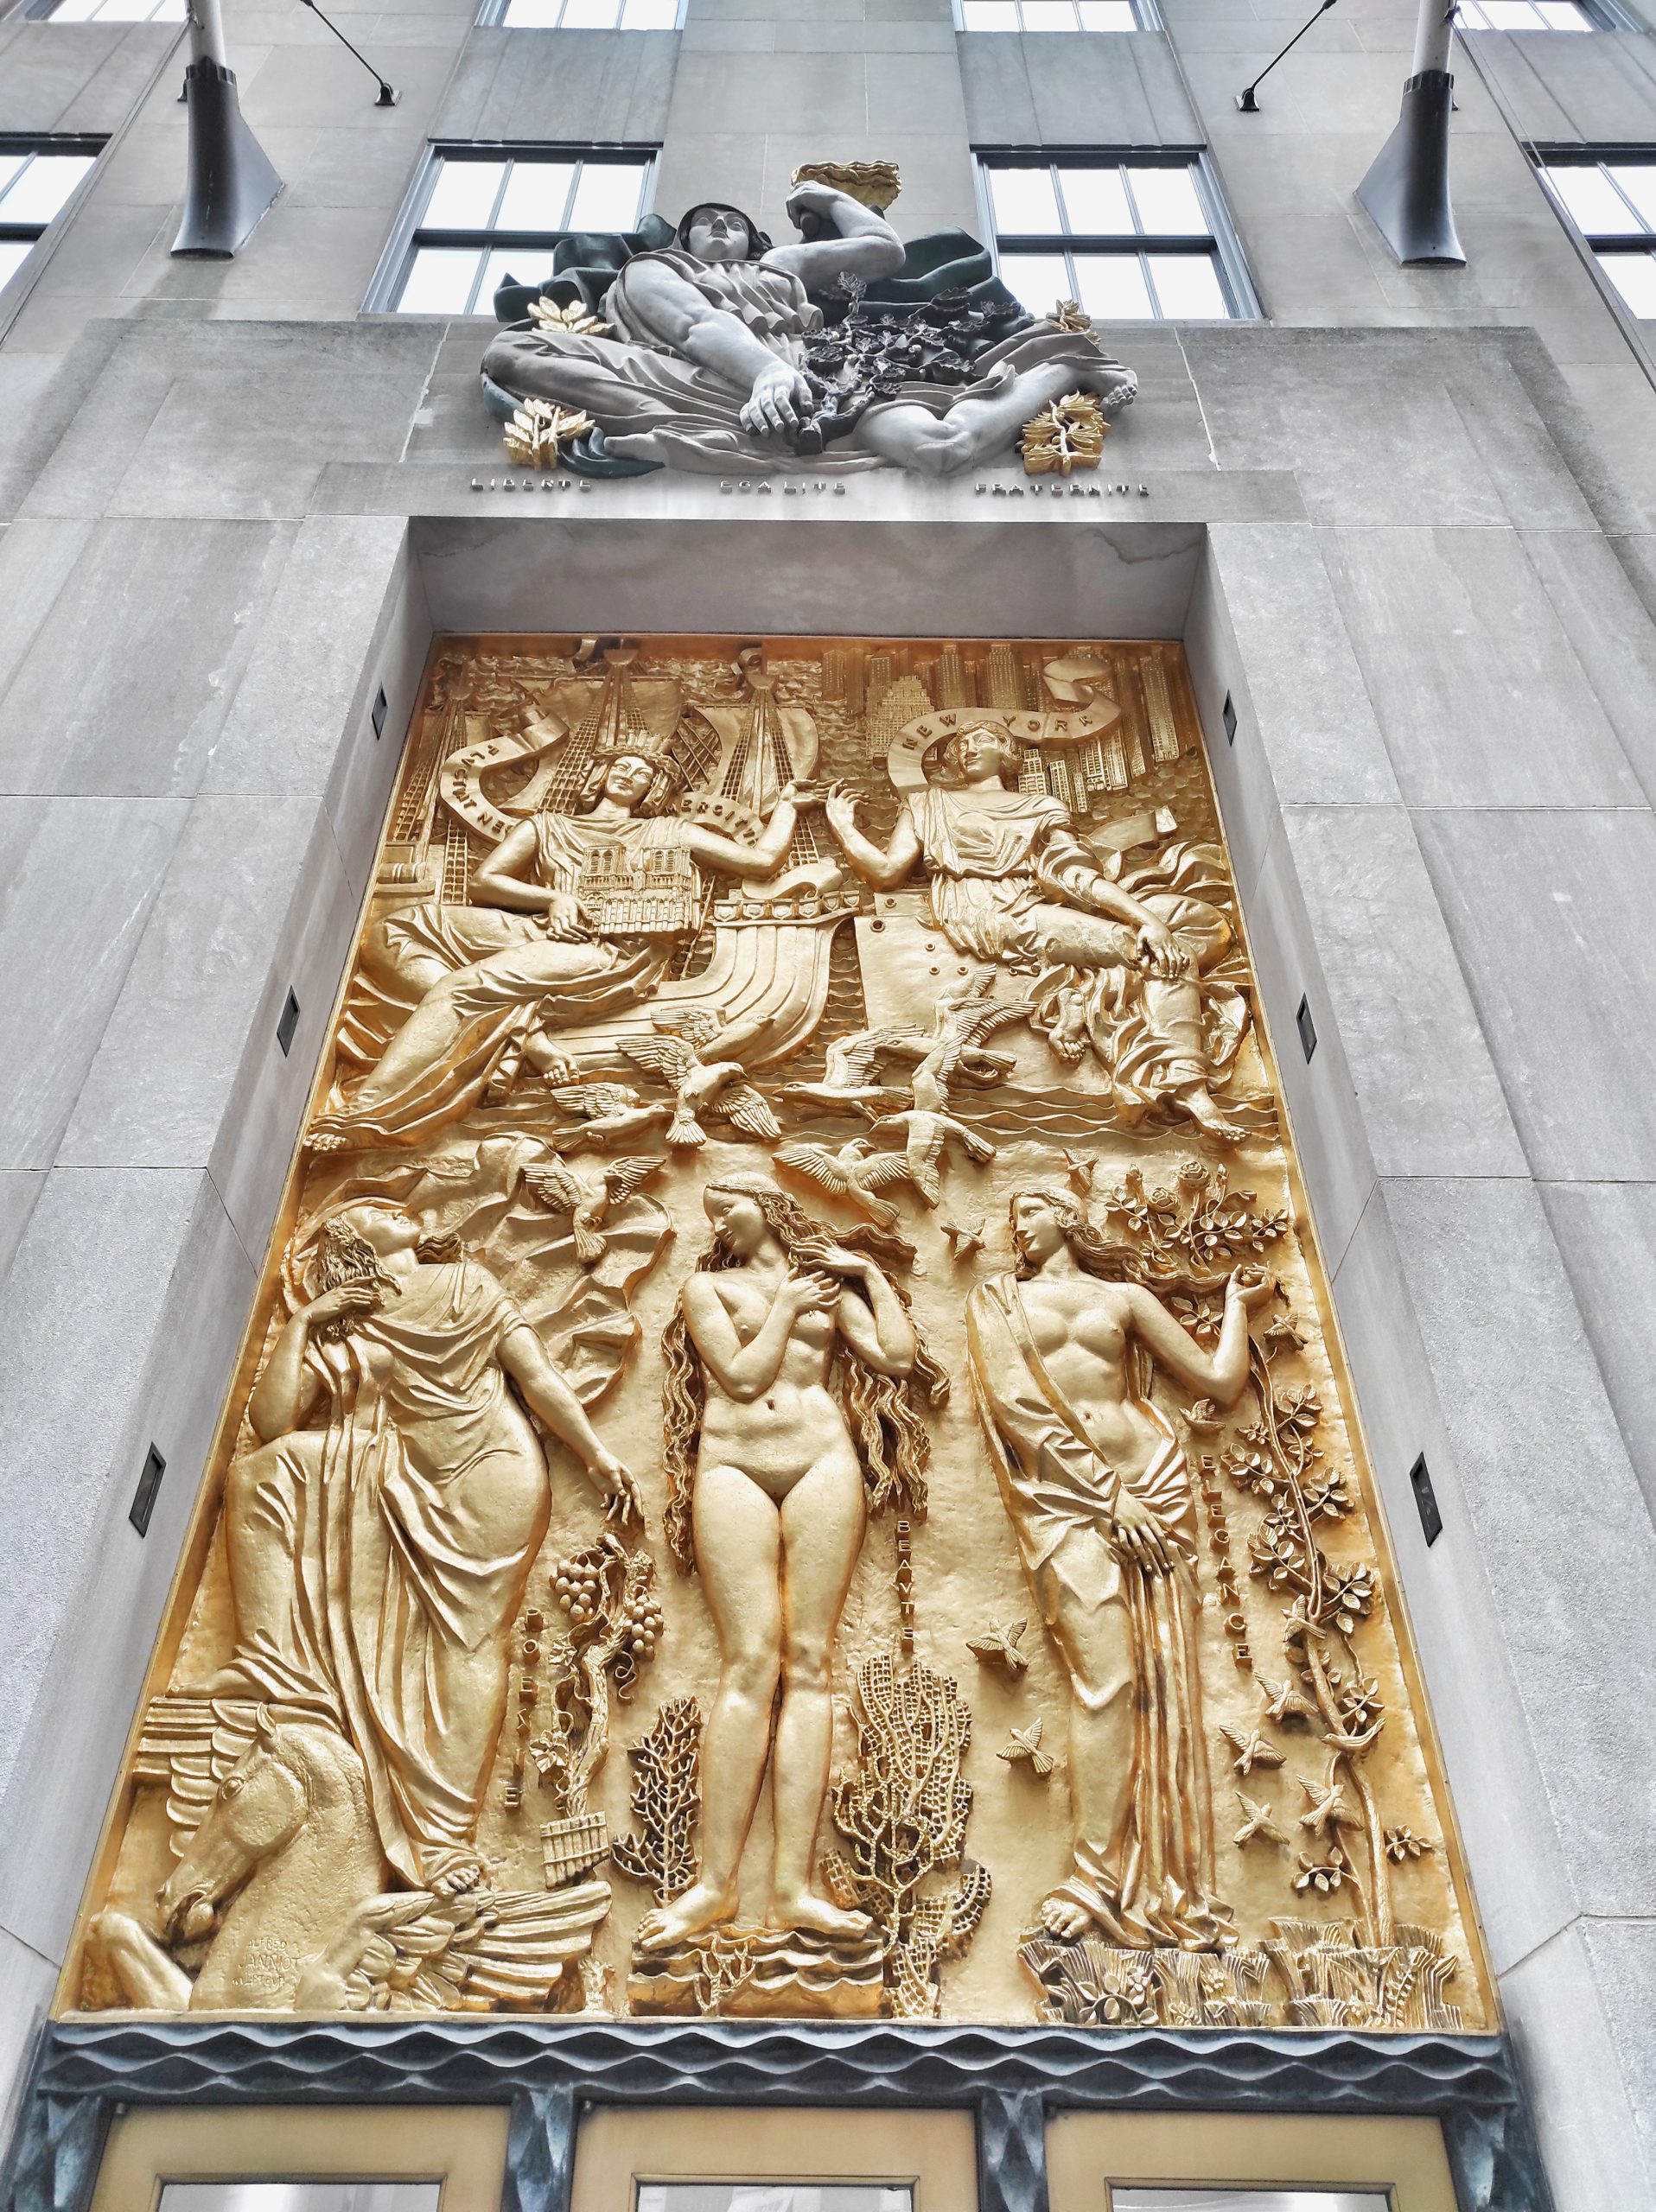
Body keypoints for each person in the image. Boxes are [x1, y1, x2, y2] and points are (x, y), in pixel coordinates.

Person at [210, 1198, 640, 1893]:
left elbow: (537, 1377)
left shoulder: (470, 1284)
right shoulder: (348, 1318)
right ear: (348, 1243)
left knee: (472, 1641)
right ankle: (271, 1666)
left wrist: (594, 1454)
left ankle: (444, 1839)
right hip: (399, 1474)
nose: (398, 1206)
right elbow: (271, 1421)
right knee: (261, 1473)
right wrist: (305, 1321)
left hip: (492, 1469)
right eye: (375, 1207)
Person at [965, 1185, 1271, 1949]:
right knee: (1107, 1680)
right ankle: (1094, 1878)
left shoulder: (1124, 1299)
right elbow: (1016, 1409)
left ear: (1067, 1218)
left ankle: (1166, 1884)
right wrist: (1108, 1497)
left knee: (1162, 1681)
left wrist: (1236, 1308)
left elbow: (1217, 1382)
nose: (1015, 1226)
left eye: (1028, 1212)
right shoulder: (997, 1302)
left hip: (1155, 1488)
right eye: (1012, 1217)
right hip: (1066, 1500)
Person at [648, 1176, 945, 1947]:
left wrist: (867, 1273)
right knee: (750, 1660)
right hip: (734, 1464)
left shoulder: (824, 1288)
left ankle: (792, 1890)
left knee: (810, 1661)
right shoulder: (706, 1290)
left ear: (770, 1209)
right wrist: (786, 1305)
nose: (720, 1222)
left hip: (821, 1460)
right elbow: (742, 1379)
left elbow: (895, 1358)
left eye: (729, 1208)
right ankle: (714, 1886)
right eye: (713, 1215)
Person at [312, 747, 819, 1151]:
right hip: (544, 927)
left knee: (459, 990)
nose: (629, 776)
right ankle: (526, 1035)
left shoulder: (670, 831)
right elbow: (486, 881)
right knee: (396, 929)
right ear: (599, 774)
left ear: (653, 789)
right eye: (621, 767)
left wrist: (788, 807)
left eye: (642, 774)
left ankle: (365, 1115)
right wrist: (554, 898)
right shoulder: (546, 825)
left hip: (614, 946)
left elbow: (761, 862)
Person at [482, 183, 1137, 478]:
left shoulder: (780, 266)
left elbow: (883, 251)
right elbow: (694, 323)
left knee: (940, 450)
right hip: (696, 375)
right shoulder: (653, 269)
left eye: (733, 223)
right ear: (684, 239)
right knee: (516, 350)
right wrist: (764, 371)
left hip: (823, 376)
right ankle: (690, 425)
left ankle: (1063, 365)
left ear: (753, 240)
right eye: (705, 222)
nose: (720, 228)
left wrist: (830, 198)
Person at [826, 722, 1246, 1140]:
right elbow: (885, 873)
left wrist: (1148, 920)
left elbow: (1075, 874)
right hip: (991, 911)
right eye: (961, 744)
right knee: (1164, 954)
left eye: (981, 739)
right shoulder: (926, 803)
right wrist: (842, 825)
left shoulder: (1042, 806)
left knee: (1196, 921)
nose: (969, 748)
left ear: (1007, 752)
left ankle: (1096, 1002)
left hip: (1037, 904)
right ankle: (1188, 1086)